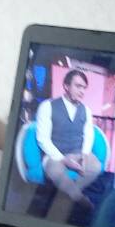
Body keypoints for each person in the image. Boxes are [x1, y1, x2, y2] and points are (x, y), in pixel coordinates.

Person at [33, 68, 101, 210]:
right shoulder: (47, 106)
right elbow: (42, 138)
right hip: (55, 155)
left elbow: (89, 134)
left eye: (84, 88)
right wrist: (63, 159)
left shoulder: (86, 110)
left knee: (96, 167)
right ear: (66, 86)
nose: (82, 91)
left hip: (77, 152)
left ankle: (70, 192)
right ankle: (78, 197)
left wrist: (84, 155)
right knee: (55, 171)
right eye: (78, 86)